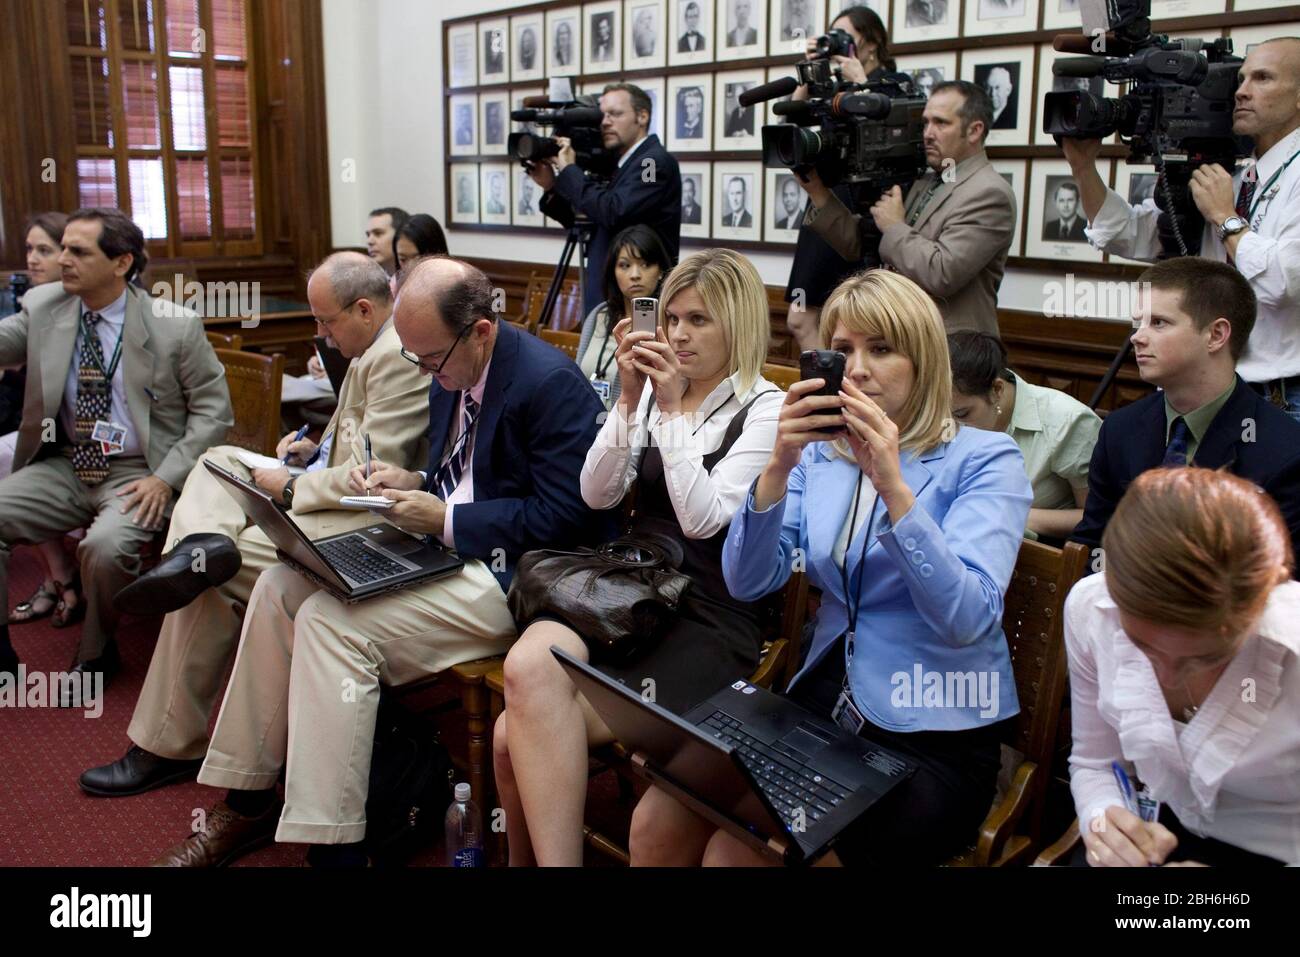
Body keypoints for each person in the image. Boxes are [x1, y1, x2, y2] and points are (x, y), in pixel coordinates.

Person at [148, 258, 615, 867]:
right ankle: (250, 795)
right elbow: (467, 474)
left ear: (479, 330)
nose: (423, 371)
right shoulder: (451, 363)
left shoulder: (547, 382)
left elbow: (566, 519)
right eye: (415, 358)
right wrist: (416, 479)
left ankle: (334, 845)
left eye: (429, 360)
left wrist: (445, 520)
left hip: (515, 576)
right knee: (278, 587)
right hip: (447, 549)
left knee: (330, 623)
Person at [629, 269, 1032, 866]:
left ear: (923, 360)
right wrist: (778, 468)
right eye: (843, 350)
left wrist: (893, 485)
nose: (859, 368)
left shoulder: (985, 459)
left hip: (934, 732)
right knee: (657, 818)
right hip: (827, 700)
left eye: (882, 348)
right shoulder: (822, 452)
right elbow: (749, 580)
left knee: (733, 856)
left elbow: (967, 618)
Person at [78, 253, 431, 797]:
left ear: (364, 309)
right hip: (324, 497)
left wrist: (291, 484)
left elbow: (373, 477)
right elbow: (352, 445)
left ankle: (167, 742)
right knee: (219, 459)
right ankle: (199, 549)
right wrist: (311, 451)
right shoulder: (370, 343)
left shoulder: (396, 355)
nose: (319, 333)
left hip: (364, 526)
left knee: (208, 579)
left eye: (324, 320)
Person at [493, 249, 785, 866]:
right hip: (628, 588)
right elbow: (595, 491)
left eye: (699, 320)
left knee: (507, 736)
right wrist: (629, 399)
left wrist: (675, 411)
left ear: (740, 325)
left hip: (709, 610)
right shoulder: (654, 392)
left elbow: (705, 518)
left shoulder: (767, 409)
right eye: (672, 317)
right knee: (527, 670)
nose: (678, 334)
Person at [0, 208, 232, 691]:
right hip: (65, 464)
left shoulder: (174, 325)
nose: (62, 259)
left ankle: (97, 652)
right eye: (62, 247)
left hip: (138, 470)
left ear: (122, 262)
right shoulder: (45, 307)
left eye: (78, 251)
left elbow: (213, 414)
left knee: (104, 549)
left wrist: (166, 478)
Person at [1065, 467, 1300, 866]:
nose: (1168, 678)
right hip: (1157, 831)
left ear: (1260, 608)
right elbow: (1095, 763)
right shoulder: (1092, 610)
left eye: (1208, 658)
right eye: (1142, 647)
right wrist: (1103, 819)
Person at [1062, 38, 1300, 418]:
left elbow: (1284, 282)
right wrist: (1082, 167)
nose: (1242, 91)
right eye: (1240, 79)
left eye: (1263, 78)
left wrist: (1225, 219)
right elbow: (1135, 233)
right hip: (1210, 389)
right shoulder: (1239, 175)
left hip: (1279, 398)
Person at [1071, 257, 1300, 564]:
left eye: (1158, 323)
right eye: (1137, 323)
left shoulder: (1285, 451)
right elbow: (1092, 543)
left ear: (1216, 335)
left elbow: (1280, 581)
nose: (1137, 337)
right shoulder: (1119, 430)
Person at [799, 80, 1016, 338]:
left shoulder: (989, 193)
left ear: (974, 131)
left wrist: (894, 226)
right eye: (925, 122)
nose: (927, 133)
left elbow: (941, 273)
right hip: (903, 342)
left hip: (954, 354)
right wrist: (817, 192)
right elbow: (864, 246)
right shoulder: (928, 179)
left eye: (941, 123)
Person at [784, 7, 901, 353]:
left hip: (866, 205)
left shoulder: (893, 86)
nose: (835, 45)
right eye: (830, 37)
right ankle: (830, 389)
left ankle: (839, 391)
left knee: (850, 321)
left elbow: (891, 139)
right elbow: (790, 130)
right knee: (800, 316)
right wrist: (808, 75)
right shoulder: (832, 88)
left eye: (844, 37)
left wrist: (861, 82)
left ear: (873, 41)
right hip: (826, 198)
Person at [530, 83, 682, 317]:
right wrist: (552, 185)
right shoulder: (622, 165)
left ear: (642, 117)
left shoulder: (651, 162)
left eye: (616, 114)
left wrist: (570, 170)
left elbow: (614, 211)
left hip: (639, 300)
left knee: (638, 353)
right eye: (603, 115)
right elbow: (588, 221)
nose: (605, 122)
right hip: (613, 294)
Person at [3, 213, 83, 632]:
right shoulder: (35, 304)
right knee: (15, 464)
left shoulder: (89, 303)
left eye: (44, 251)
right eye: (29, 250)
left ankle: (60, 577)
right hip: (41, 432)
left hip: (81, 442)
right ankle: (58, 575)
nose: (32, 259)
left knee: (11, 461)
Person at [949, 331, 1100, 542]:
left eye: (962, 414)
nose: (953, 428)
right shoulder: (949, 416)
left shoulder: (1066, 422)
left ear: (997, 390)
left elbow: (1097, 517)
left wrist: (1013, 517)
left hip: (1042, 554)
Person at [576, 225, 672, 412]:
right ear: (613, 272)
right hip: (588, 424)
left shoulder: (670, 322)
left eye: (645, 264)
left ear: (660, 271)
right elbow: (577, 375)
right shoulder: (599, 314)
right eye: (625, 265)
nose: (635, 275)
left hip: (637, 427)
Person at [365, 207, 409, 277]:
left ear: (400, 236)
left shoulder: (421, 278)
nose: (369, 241)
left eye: (378, 233)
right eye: (368, 235)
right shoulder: (369, 280)